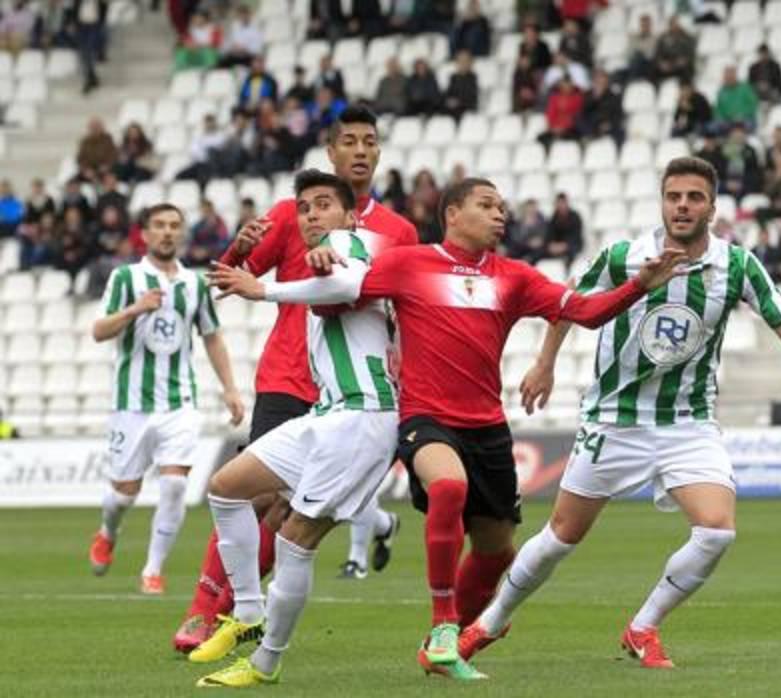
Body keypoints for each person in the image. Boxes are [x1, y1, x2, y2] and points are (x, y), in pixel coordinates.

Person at [208, 177, 690, 681]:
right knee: (447, 486)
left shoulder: (516, 277)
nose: (500, 214)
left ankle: (445, 636)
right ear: (453, 214)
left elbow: (587, 313)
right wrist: (312, 259)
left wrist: (638, 287)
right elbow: (341, 293)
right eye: (487, 205)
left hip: (486, 425)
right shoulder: (408, 263)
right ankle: (440, 629)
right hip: (422, 418)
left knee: (497, 547)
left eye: (502, 206)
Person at [458, 157, 781, 672]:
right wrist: (545, 364)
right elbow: (568, 305)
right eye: (673, 196)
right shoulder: (623, 257)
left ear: (712, 208)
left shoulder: (738, 266)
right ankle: (491, 621)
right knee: (561, 537)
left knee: (717, 530)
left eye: (694, 197)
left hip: (687, 423)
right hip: (615, 419)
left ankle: (643, 626)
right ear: (662, 201)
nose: (682, 205)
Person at [170, 106, 418, 654]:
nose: (358, 150)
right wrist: (238, 246)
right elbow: (226, 277)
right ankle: (202, 611)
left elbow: (403, 305)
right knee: (250, 495)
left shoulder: (398, 231)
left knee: (287, 515)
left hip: (355, 395)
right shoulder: (293, 212)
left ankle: (241, 615)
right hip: (289, 377)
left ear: (378, 153)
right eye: (347, 141)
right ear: (330, 152)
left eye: (368, 142)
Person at [88, 203, 246, 595]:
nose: (167, 232)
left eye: (174, 226)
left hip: (180, 403)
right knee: (123, 494)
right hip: (132, 405)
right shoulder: (126, 278)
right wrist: (136, 309)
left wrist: (229, 387)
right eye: (159, 225)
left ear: (182, 234)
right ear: (144, 233)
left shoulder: (194, 284)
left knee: (175, 486)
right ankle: (108, 529)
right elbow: (98, 330)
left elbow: (211, 335)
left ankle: (152, 570)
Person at [184, 200, 232, 267]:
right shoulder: (198, 225)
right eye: (203, 211)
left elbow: (224, 243)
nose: (204, 213)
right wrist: (194, 251)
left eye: (207, 211)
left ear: (212, 210)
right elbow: (191, 241)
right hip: (199, 257)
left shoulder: (220, 225)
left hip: (213, 255)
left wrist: (207, 251)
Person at [545, 193, 584, 271]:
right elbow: (550, 235)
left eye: (562, 203)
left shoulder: (575, 217)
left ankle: (567, 273)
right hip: (558, 246)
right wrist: (552, 245)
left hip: (572, 245)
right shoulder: (554, 217)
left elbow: (576, 236)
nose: (561, 205)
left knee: (570, 253)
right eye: (559, 203)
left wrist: (564, 245)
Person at [217, 4, 263, 69]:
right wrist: (232, 48)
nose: (243, 17)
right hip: (235, 56)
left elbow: (257, 49)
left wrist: (245, 49)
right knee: (221, 62)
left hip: (248, 56)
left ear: (249, 15)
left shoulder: (255, 30)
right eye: (241, 15)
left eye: (245, 15)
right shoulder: (234, 28)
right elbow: (226, 45)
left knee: (255, 62)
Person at [714, 66, 759, 131]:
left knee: (742, 126)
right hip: (727, 121)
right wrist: (721, 117)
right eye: (727, 76)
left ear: (735, 76)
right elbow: (718, 109)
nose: (729, 78)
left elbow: (754, 104)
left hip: (745, 120)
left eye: (731, 75)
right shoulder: (721, 91)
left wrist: (741, 114)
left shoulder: (745, 88)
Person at [442, 50, 479, 120]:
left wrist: (457, 102)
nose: (463, 64)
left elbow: (472, 98)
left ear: (470, 63)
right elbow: (448, 93)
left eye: (465, 61)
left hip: (466, 108)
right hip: (452, 108)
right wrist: (448, 101)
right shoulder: (453, 77)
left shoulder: (473, 78)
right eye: (460, 61)